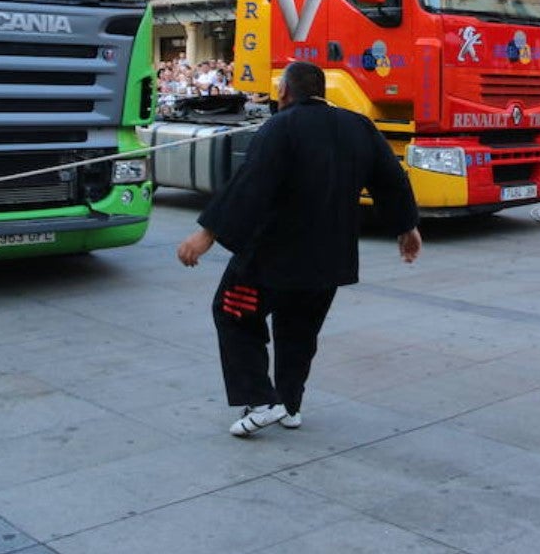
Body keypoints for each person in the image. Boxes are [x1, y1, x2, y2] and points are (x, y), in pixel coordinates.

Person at [177, 62, 422, 437]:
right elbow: (391, 178)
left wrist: (207, 235)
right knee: (299, 331)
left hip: (272, 256)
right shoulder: (360, 126)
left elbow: (251, 185)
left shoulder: (280, 126)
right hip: (329, 258)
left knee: (232, 314)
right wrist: (406, 226)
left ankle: (261, 400)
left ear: (284, 93)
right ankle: (290, 405)